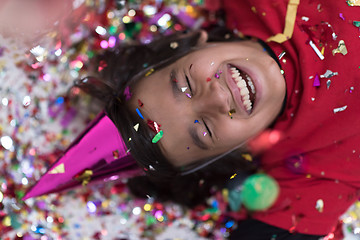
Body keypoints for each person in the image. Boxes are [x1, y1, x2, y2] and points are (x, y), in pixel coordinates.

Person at [26, 0, 360, 239]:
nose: (216, 98)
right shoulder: (309, 171)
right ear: (237, 151)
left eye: (184, 84)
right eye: (204, 130)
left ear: (195, 44)